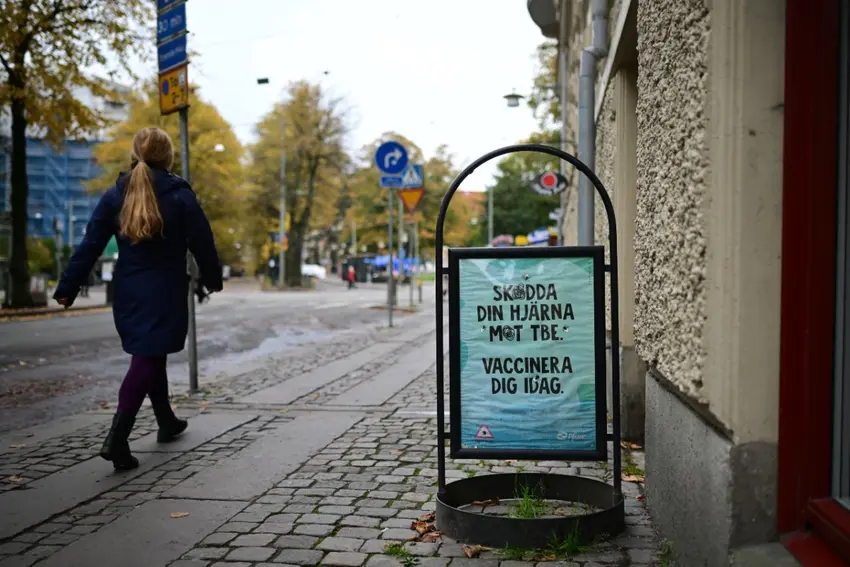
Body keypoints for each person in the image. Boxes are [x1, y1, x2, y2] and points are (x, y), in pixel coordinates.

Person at [53, 127, 222, 470]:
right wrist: (212, 279)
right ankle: (117, 439)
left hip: (128, 291)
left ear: (135, 154)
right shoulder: (179, 195)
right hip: (165, 290)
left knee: (150, 352)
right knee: (147, 357)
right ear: (167, 156)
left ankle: (166, 421)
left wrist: (68, 286)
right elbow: (203, 242)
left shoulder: (115, 195)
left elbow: (90, 244)